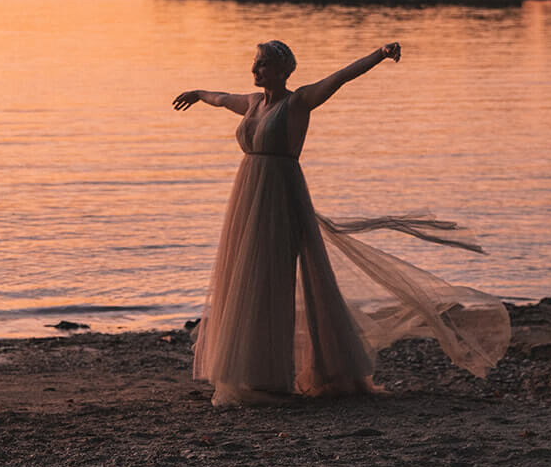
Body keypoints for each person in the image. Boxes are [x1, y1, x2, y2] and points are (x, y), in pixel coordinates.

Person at [174, 40, 509, 406]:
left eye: (264, 65)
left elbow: (341, 77)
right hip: (248, 198)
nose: (256, 71)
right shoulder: (252, 104)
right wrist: (198, 93)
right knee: (246, 279)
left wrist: (379, 55)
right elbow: (221, 97)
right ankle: (248, 372)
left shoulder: (298, 101)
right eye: (255, 64)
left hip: (282, 196)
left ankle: (277, 375)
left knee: (276, 281)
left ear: (284, 70)